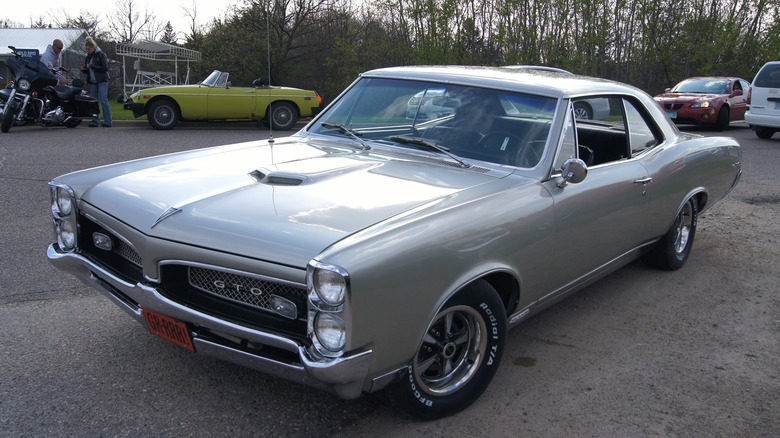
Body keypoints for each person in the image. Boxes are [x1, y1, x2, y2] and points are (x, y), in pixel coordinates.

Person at [81, 37, 112, 127]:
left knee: (103, 99)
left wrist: (92, 66)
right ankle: (95, 120)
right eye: (86, 49)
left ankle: (108, 120)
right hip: (93, 81)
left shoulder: (100, 55)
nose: (87, 51)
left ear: (93, 47)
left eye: (89, 49)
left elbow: (105, 68)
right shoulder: (88, 57)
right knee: (94, 101)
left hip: (102, 80)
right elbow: (88, 70)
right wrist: (84, 70)